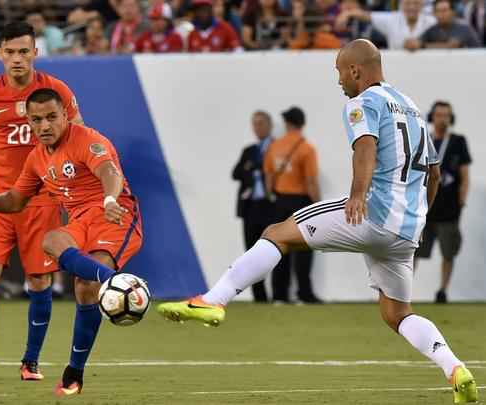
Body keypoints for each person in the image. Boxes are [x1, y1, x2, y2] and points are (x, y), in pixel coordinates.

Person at [157, 39, 478, 404]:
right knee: (397, 313)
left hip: (371, 211)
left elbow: (365, 147)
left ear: (355, 70)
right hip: (406, 230)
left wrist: (358, 194)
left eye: (340, 71)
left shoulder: (363, 102)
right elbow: (433, 175)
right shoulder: (413, 108)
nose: (339, 79)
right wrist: (418, 218)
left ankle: (214, 299)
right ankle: (454, 368)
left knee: (277, 233)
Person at [0, 88, 143, 396]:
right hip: (80, 222)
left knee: (85, 286)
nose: (44, 126)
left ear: (65, 115)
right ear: (29, 123)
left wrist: (111, 198)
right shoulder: (36, 158)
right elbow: (15, 200)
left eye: (51, 117)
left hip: (115, 215)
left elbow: (109, 172)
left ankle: (74, 371)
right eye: (36, 120)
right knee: (51, 240)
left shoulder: (88, 139)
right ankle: (117, 283)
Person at [0, 22, 84, 382]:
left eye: (23, 51)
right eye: (9, 52)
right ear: (0, 54)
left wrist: (75, 192)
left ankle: (31, 360)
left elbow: (79, 138)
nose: (16, 59)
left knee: (39, 282)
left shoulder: (55, 91)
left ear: (35, 54)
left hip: (41, 200)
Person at [415, 101, 471, 304]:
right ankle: (404, 291)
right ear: (432, 117)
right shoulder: (424, 140)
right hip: (425, 209)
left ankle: (442, 291)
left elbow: (464, 177)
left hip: (449, 210)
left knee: (448, 253)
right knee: (414, 251)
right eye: (439, 115)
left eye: (447, 115)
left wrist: (461, 202)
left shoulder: (458, 142)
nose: (443, 119)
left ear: (451, 118)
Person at [264, 106, 321, 303]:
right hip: (301, 202)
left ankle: (279, 295)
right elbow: (311, 182)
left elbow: (269, 177)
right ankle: (304, 294)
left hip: (280, 202)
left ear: (287, 123)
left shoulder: (274, 146)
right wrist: (317, 204)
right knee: (304, 249)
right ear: (302, 123)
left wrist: (273, 196)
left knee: (279, 247)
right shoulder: (306, 148)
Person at [232, 111, 275, 302]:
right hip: (250, 207)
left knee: (274, 250)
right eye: (254, 124)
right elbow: (236, 173)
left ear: (269, 125)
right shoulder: (249, 150)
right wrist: (251, 168)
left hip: (270, 206)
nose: (257, 128)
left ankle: (280, 294)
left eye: (260, 124)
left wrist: (258, 168)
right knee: (252, 252)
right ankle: (260, 296)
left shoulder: (277, 147)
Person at [334, 0, 436, 49]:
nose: (411, 7)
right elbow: (367, 16)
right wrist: (347, 13)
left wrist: (421, 44)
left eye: (415, 4)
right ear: (402, 5)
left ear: (422, 5)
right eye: (408, 4)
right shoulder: (392, 19)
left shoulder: (431, 21)